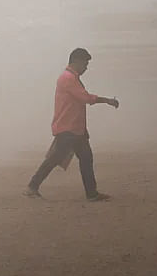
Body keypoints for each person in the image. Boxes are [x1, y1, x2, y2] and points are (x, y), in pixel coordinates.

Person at [24, 48, 119, 202]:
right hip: (68, 127)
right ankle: (32, 186)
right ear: (77, 61)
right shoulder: (68, 78)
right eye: (85, 63)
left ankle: (91, 193)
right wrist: (107, 100)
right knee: (56, 158)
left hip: (75, 127)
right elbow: (86, 98)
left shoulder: (70, 77)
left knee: (84, 158)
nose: (86, 67)